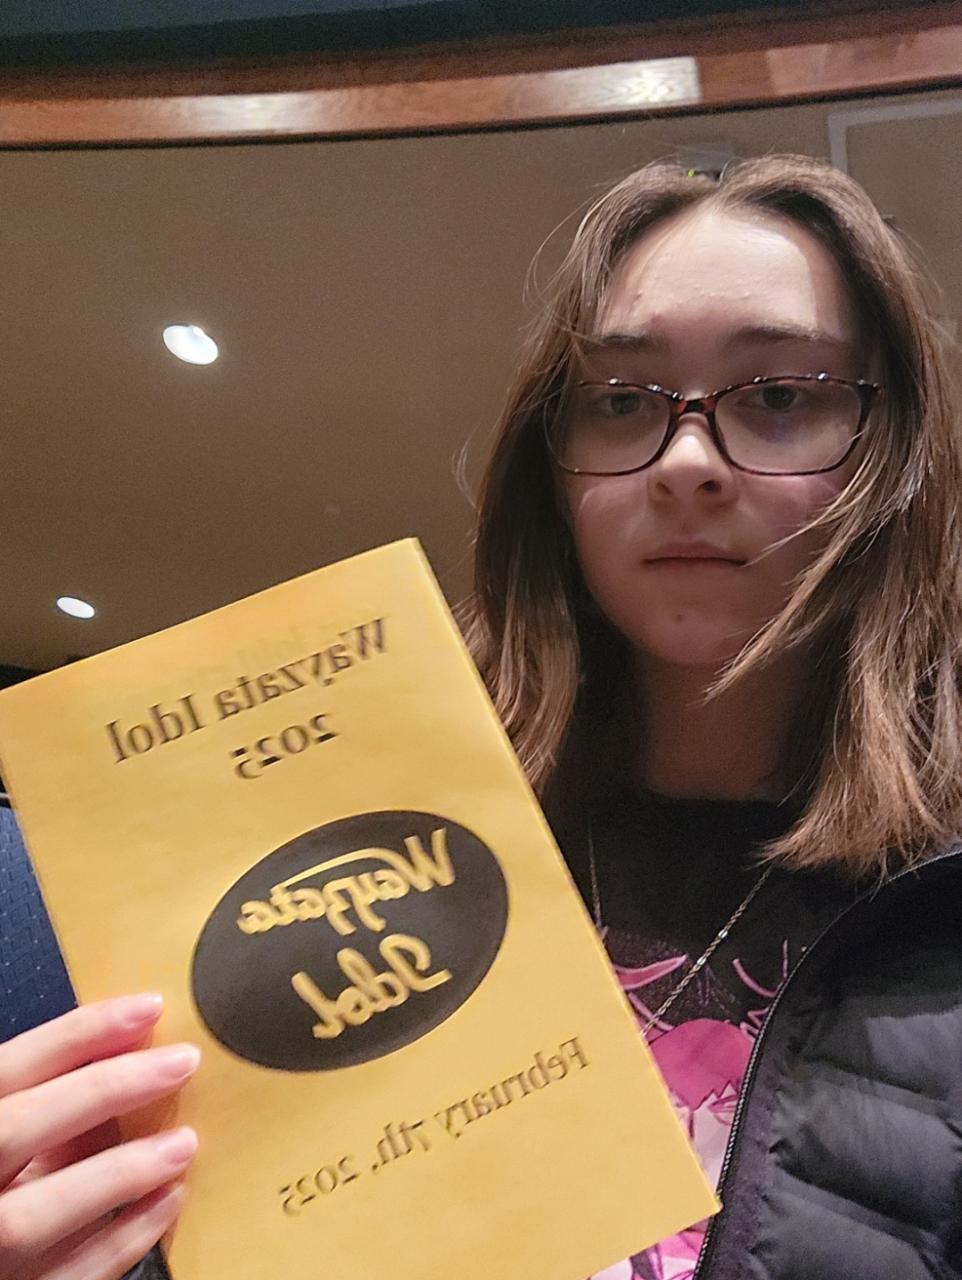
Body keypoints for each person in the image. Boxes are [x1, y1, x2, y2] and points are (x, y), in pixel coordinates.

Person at [3, 153, 962, 1280]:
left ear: (893, 455)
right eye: (620, 401)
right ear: (553, 473)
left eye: (781, 397)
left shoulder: (935, 912)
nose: (687, 462)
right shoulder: (351, 835)